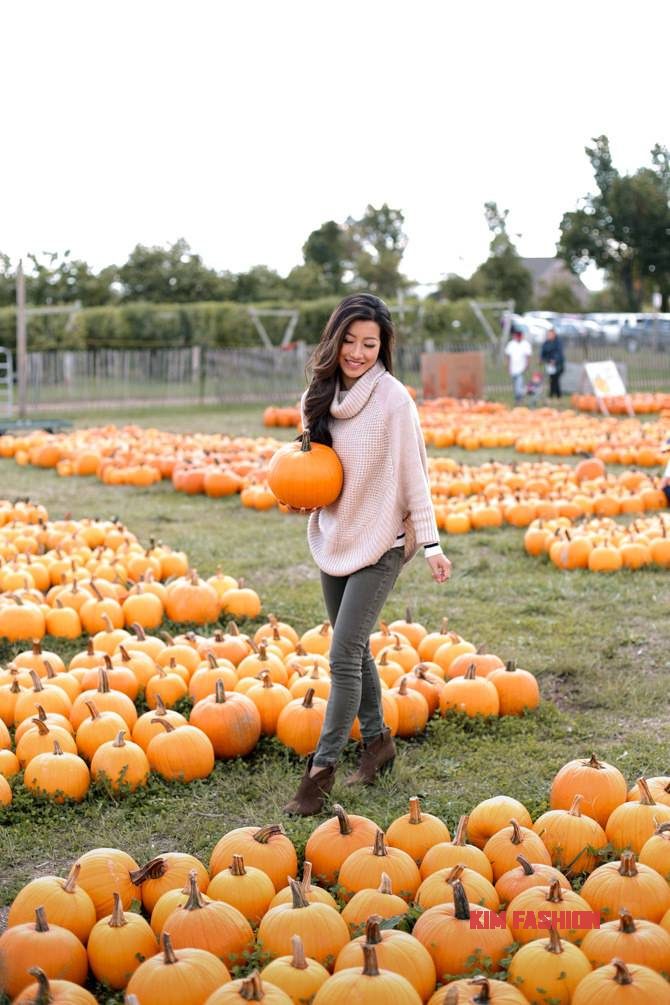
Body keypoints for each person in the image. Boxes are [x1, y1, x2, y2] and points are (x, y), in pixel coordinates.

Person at [283, 293, 452, 816]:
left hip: (382, 541)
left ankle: (320, 771)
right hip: (336, 534)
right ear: (335, 342)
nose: (358, 352)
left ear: (383, 348)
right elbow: (316, 471)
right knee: (353, 650)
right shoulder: (320, 394)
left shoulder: (393, 399)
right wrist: (299, 496)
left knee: (341, 654)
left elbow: (413, 476)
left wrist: (431, 544)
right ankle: (379, 744)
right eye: (350, 341)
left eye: (370, 344)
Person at [505, 327, 532, 404]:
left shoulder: (525, 344)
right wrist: (508, 366)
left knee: (519, 385)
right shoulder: (511, 344)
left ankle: (527, 391)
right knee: (516, 385)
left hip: (521, 368)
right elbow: (508, 356)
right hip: (513, 368)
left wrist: (527, 364)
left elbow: (528, 356)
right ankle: (518, 400)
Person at [540, 328, 565, 398]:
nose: (549, 336)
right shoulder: (546, 343)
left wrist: (555, 360)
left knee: (555, 379)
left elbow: (559, 353)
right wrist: (542, 359)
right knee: (553, 379)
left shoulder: (558, 343)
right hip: (549, 365)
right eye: (548, 334)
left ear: (554, 335)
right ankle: (557, 396)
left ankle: (553, 395)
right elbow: (543, 352)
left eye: (550, 334)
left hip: (558, 365)